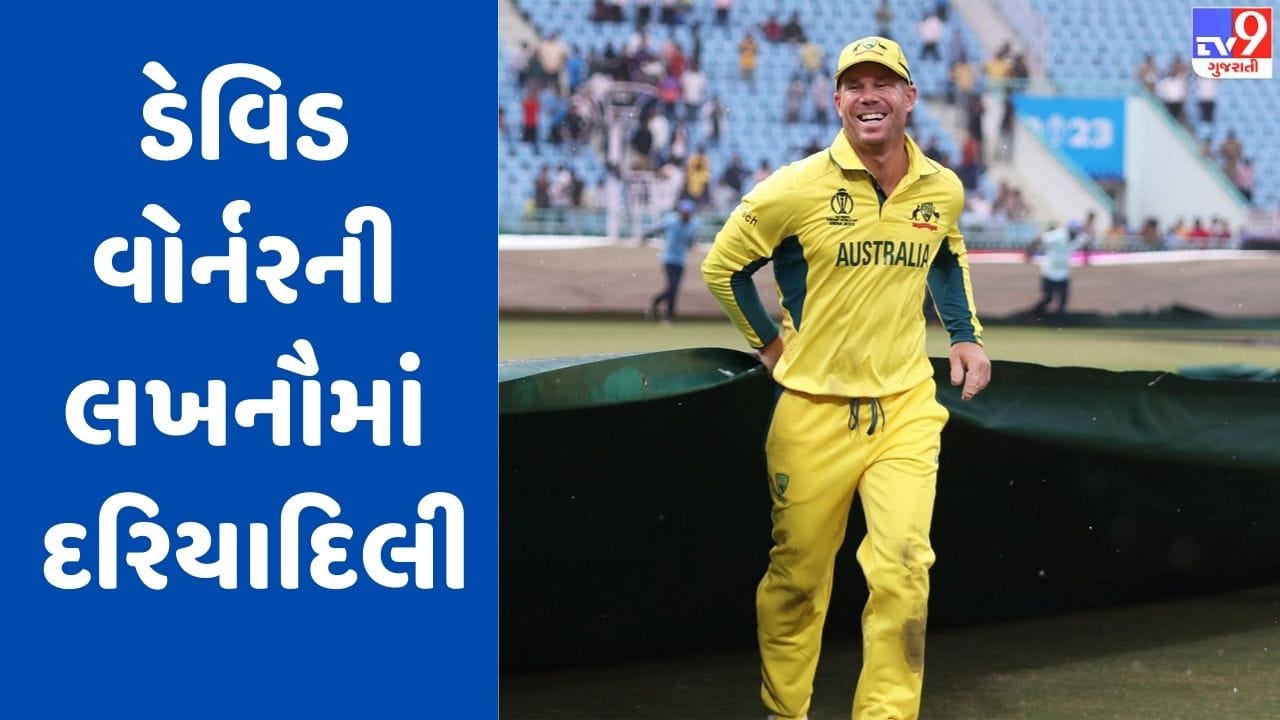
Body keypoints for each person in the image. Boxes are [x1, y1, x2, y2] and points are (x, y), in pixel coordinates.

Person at [701, 36, 990, 720]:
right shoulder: (794, 187)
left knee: (903, 571)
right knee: (797, 583)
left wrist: (966, 336)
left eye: (882, 83)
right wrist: (769, 346)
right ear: (836, 101)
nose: (868, 96)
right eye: (854, 85)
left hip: (906, 407)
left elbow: (945, 255)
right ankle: (786, 712)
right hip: (812, 412)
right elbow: (723, 267)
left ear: (908, 97)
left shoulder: (941, 188)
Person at [648, 199, 702, 321]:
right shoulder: (670, 220)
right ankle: (667, 313)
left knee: (674, 287)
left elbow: (690, 243)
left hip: (681, 260)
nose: (685, 215)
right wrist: (646, 236)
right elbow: (658, 229)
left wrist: (693, 239)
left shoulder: (694, 225)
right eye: (684, 212)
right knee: (673, 286)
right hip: (669, 258)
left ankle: (665, 309)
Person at [1026, 220, 1089, 320]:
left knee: (1063, 299)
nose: (1076, 234)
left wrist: (1086, 258)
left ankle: (1058, 321)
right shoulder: (1057, 235)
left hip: (1064, 272)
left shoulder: (1081, 237)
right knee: (1048, 298)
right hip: (1049, 271)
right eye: (1074, 231)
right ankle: (1033, 314)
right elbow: (1039, 239)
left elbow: (1086, 243)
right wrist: (1029, 253)